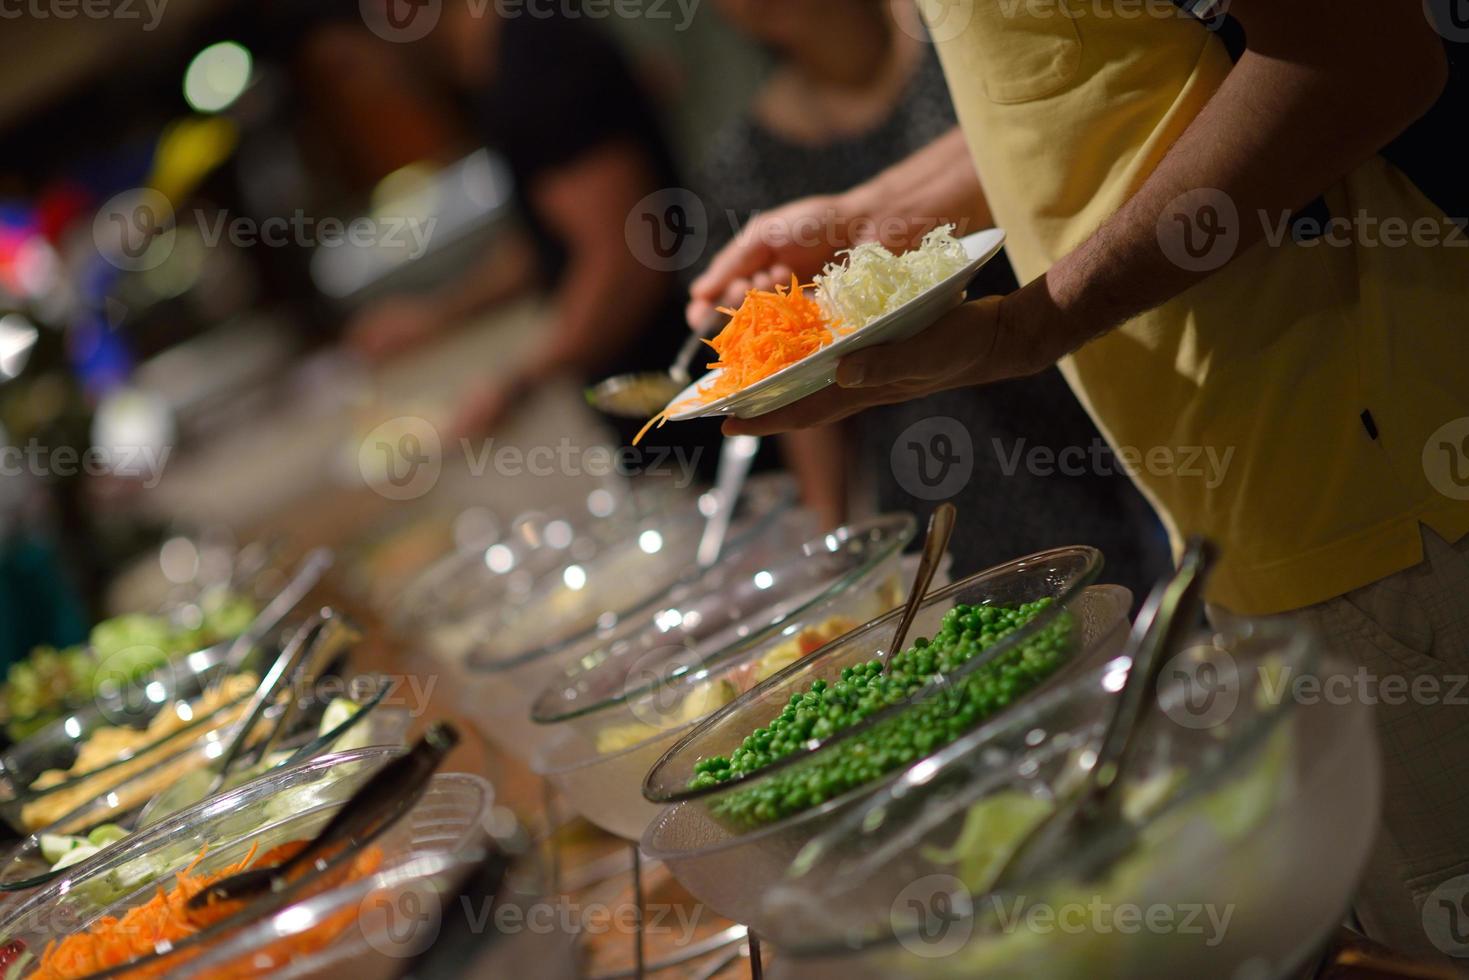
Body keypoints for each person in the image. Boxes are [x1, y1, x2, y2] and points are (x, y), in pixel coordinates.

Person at [688, 0, 1469, 963]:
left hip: (1377, 485)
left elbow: (1363, 59)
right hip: (1242, 503)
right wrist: (869, 221)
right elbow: (1100, 81)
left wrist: (1037, 322)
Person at [699, 0, 1167, 592]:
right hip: (928, 454)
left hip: (1081, 368)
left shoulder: (960, 33)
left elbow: (1055, 134)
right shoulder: (742, 159)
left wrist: (1027, 330)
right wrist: (830, 542)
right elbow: (792, 378)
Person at [341, 4, 726, 468]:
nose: (367, 82)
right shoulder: (504, 61)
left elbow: (623, 261)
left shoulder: (537, 64)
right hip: (655, 404)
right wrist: (436, 315)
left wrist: (513, 382)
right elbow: (552, 237)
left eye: (353, 61)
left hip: (698, 397)